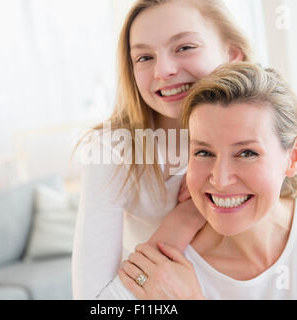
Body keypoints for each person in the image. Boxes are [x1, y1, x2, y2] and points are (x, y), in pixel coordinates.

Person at [112, 62, 297, 300]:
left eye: (247, 153)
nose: (220, 180)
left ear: (293, 157)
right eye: (204, 153)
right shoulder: (166, 265)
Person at [72, 0, 252, 299]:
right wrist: (188, 215)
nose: (164, 70)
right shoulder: (113, 150)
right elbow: (93, 302)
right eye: (144, 57)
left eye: (184, 47)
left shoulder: (264, 128)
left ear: (232, 54)